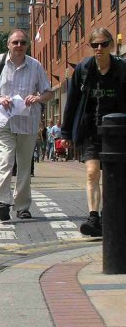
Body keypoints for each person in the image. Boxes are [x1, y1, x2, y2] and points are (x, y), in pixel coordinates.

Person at [61, 28, 126, 237]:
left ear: (111, 46)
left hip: (116, 132)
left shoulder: (122, 69)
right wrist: (66, 134)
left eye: (104, 44)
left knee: (112, 176)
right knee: (91, 173)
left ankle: (109, 215)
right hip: (90, 129)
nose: (99, 48)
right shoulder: (83, 69)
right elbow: (71, 103)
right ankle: (93, 217)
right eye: (95, 45)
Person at [0, 29, 53, 221]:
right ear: (8, 44)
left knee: (24, 165)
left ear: (27, 46)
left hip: (27, 122)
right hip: (4, 120)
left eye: (23, 43)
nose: (19, 46)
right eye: (15, 42)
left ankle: (22, 206)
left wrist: (38, 97)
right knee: (6, 159)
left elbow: (48, 92)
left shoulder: (35, 66)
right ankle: (2, 202)